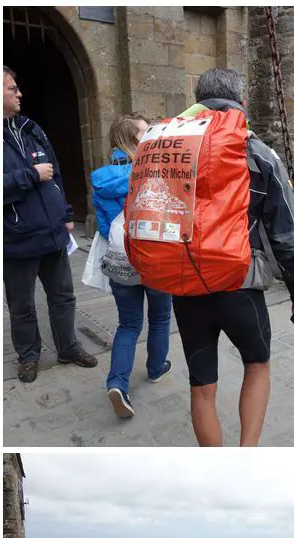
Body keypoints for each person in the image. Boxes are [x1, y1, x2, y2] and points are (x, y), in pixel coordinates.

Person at [167, 68, 294, 446]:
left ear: (197, 100)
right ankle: (247, 454)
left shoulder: (171, 148)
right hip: (239, 283)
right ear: (240, 103)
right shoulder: (258, 153)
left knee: (202, 388)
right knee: (258, 365)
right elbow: (287, 234)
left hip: (185, 283)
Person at [3, 66, 97, 382]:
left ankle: (68, 347)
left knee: (63, 297)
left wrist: (67, 213)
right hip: (16, 239)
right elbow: (36, 175)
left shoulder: (32, 129)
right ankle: (29, 357)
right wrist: (30, 175)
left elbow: (54, 174)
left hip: (53, 232)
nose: (19, 93)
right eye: (12, 88)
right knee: (23, 306)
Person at [90, 114, 173, 419]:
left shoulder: (100, 178)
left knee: (128, 324)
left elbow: (101, 225)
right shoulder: (155, 170)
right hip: (154, 258)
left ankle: (117, 383)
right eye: (145, 132)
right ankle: (155, 368)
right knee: (161, 318)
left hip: (119, 261)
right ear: (136, 140)